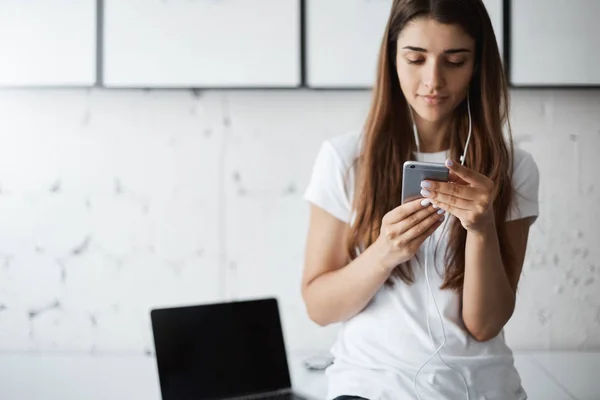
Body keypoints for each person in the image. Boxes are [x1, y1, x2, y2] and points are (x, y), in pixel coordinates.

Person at [301, 0, 540, 399]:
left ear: (478, 65)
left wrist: (481, 231)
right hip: (371, 385)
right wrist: (383, 252)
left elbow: (484, 324)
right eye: (415, 58)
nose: (433, 81)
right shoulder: (345, 160)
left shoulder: (513, 167)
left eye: (455, 61)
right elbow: (320, 308)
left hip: (478, 387)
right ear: (392, 58)